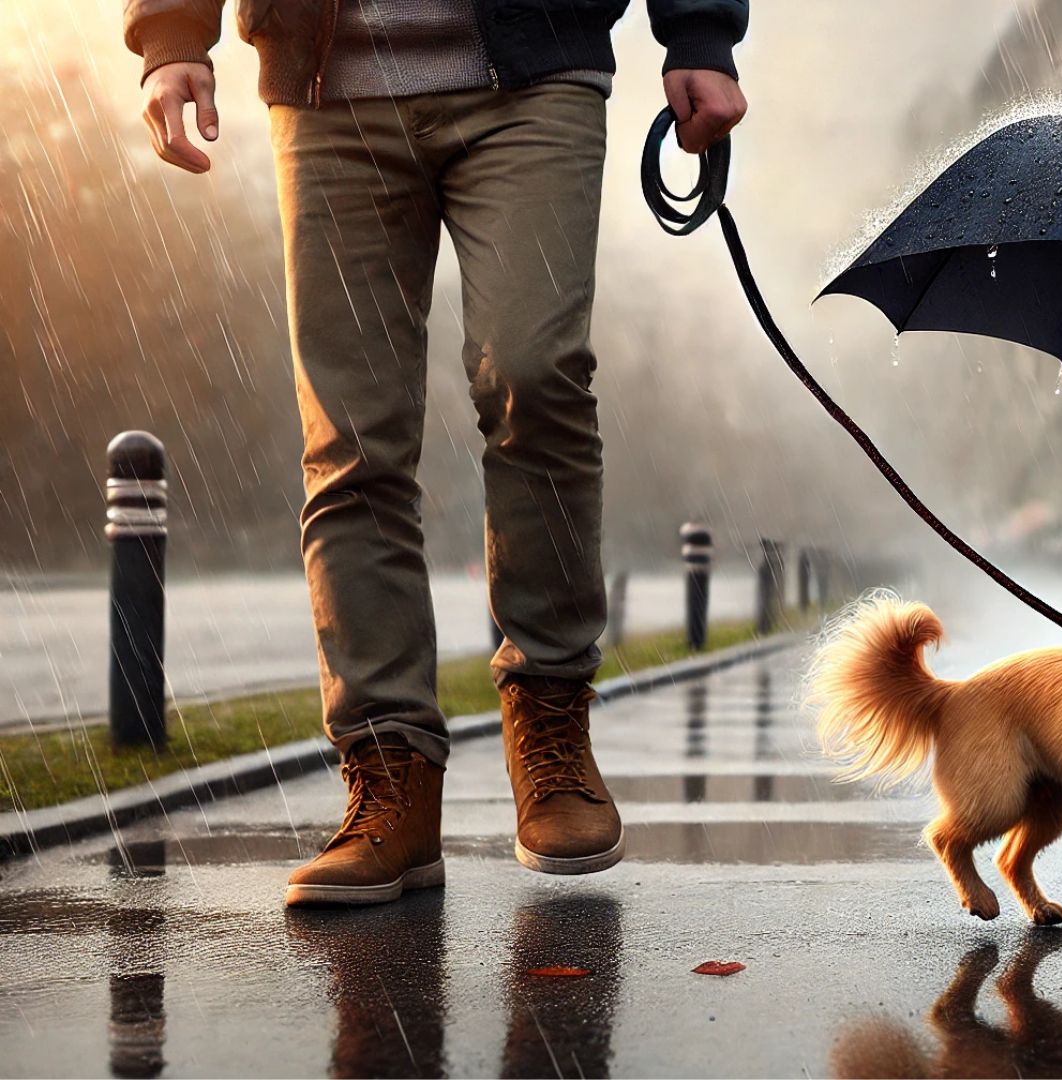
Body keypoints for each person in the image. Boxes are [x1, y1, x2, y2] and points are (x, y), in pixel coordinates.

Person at [122, 0, 749, 906]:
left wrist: (698, 31)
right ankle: (389, 779)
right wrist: (173, 32)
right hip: (325, 80)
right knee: (350, 436)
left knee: (536, 376)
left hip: (533, 68)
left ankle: (551, 717)